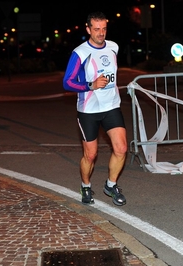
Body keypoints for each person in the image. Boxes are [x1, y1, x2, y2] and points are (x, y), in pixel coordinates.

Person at [63, 11, 127, 206]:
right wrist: (90, 85)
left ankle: (111, 185)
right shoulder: (80, 53)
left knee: (121, 148)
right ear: (88, 29)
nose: (101, 33)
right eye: (96, 29)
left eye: (104, 29)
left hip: (111, 106)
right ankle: (85, 185)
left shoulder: (114, 47)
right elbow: (67, 83)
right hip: (88, 110)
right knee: (91, 155)